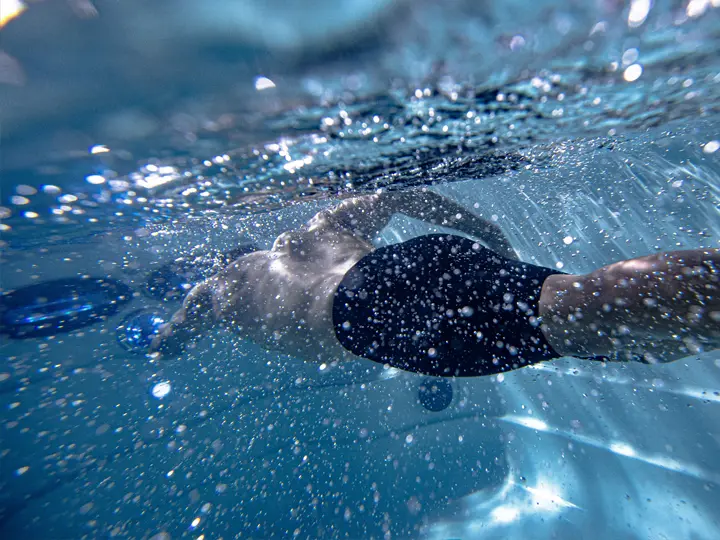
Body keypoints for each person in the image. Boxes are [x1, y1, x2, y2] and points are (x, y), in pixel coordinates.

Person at [151, 188, 719, 376]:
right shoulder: (317, 227)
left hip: (371, 318)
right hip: (406, 264)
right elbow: (396, 196)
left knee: (589, 312)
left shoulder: (218, 290)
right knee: (592, 320)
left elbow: (171, 341)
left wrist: (159, 346)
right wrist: (487, 230)